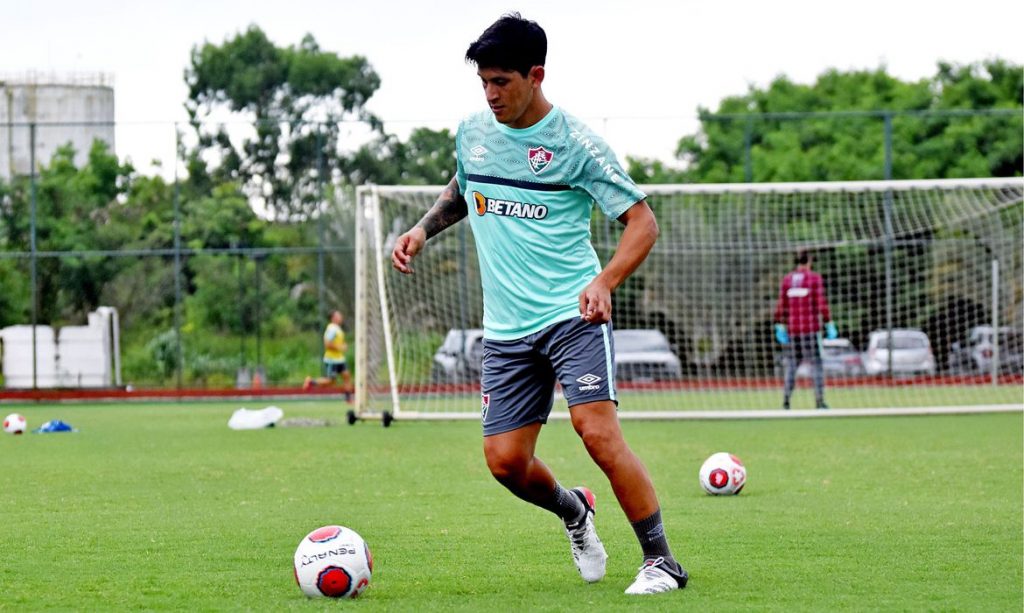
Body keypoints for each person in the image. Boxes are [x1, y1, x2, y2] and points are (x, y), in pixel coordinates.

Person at [390, 13, 687, 595]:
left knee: (596, 433)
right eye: (483, 83)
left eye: (502, 81)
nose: (491, 94)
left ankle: (662, 562)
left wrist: (604, 281)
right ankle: (574, 510)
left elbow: (643, 223)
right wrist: (422, 230)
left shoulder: (575, 144)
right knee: (505, 462)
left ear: (536, 75)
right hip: (505, 329)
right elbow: (465, 186)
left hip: (571, 315)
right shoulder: (473, 132)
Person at [773, 251, 838, 410]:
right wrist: (829, 322)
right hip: (810, 329)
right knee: (816, 365)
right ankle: (819, 401)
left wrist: (779, 324)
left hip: (793, 330)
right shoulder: (814, 278)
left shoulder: (787, 279)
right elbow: (821, 302)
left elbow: (781, 304)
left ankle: (786, 401)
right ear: (809, 261)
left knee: (792, 365)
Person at [304, 310, 352, 400]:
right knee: (331, 381)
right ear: (333, 318)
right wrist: (340, 347)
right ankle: (311, 382)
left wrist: (343, 345)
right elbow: (327, 344)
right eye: (338, 315)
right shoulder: (332, 329)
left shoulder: (338, 328)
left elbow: (337, 342)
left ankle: (349, 398)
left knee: (347, 376)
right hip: (332, 359)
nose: (341, 317)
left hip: (340, 358)